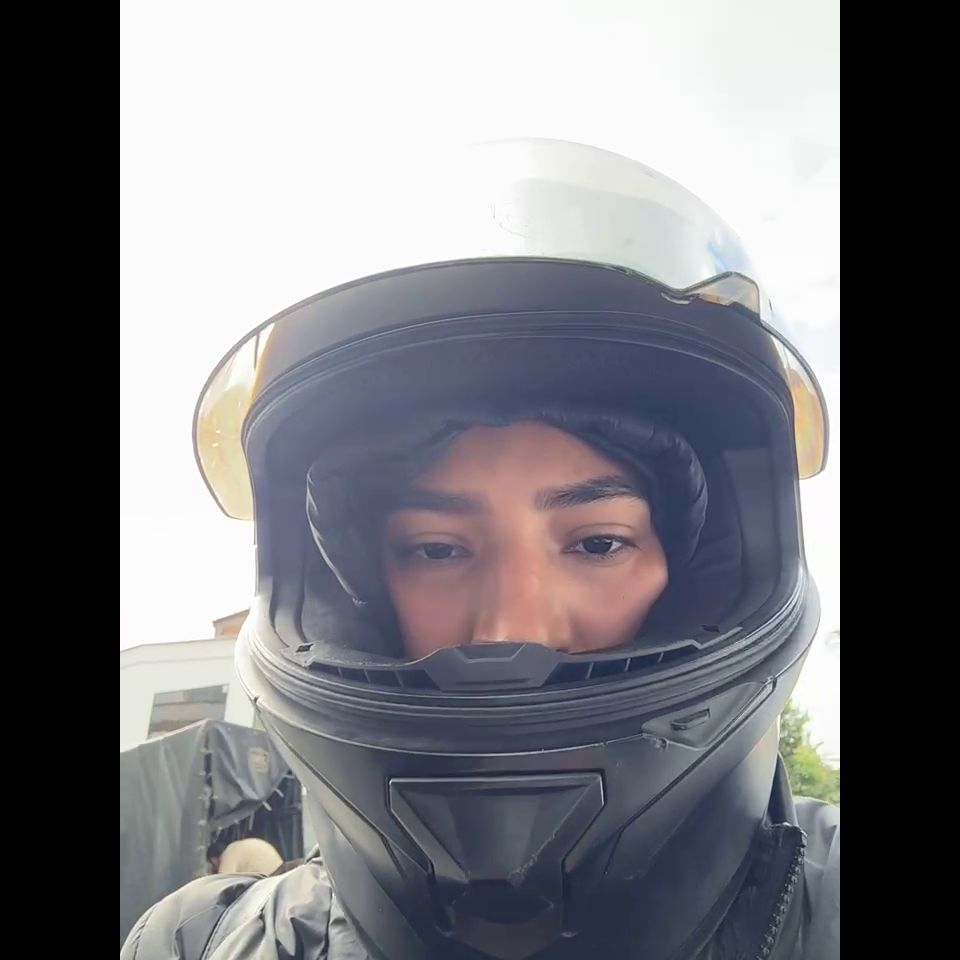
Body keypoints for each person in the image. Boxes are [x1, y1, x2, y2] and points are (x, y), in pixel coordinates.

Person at [122, 139, 838, 960]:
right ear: (357, 596)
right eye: (437, 550)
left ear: (697, 580)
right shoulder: (200, 943)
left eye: (597, 542)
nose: (509, 628)